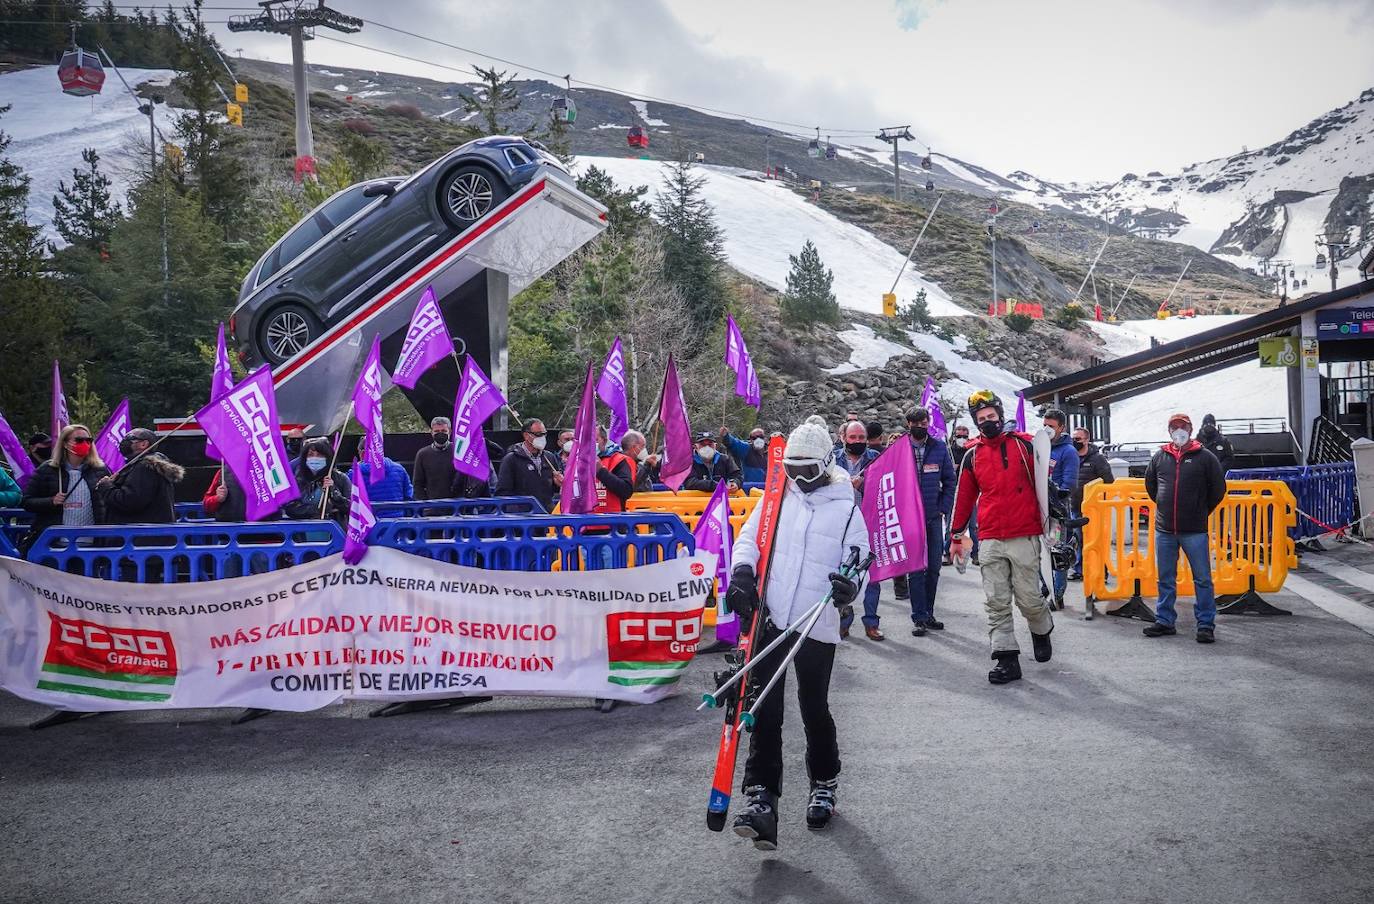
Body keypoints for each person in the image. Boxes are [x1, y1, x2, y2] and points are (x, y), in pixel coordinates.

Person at [724, 415, 869, 848]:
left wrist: (848, 589)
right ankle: (761, 797)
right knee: (763, 707)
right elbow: (749, 538)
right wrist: (743, 574)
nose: (800, 480)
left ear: (825, 464)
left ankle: (823, 780)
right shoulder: (776, 499)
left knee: (813, 706)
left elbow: (859, 558)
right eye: (792, 471)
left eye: (808, 471)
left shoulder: (845, 507)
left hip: (815, 624)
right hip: (771, 618)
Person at [949, 390, 1054, 685]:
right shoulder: (972, 455)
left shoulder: (1023, 445)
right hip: (991, 535)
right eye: (981, 419)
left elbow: (1046, 483)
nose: (987, 422)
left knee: (1029, 598)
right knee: (996, 600)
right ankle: (1007, 660)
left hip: (1024, 532)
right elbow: (964, 497)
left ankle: (1041, 627)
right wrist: (956, 535)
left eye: (991, 416)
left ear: (1000, 415)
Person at [1143, 413, 1226, 644]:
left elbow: (1218, 489)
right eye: (1174, 427)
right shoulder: (1160, 457)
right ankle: (1165, 620)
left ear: (1190, 429)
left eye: (1183, 426)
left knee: (1202, 579)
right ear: (1169, 430)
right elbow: (1150, 485)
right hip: (1165, 530)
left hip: (1195, 531)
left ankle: (1206, 624)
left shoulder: (1206, 457)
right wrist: (1163, 507)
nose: (1178, 430)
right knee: (1165, 578)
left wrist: (1201, 510)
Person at [904, 408, 957, 637]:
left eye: (923, 422)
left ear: (928, 423)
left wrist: (943, 509)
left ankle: (929, 612)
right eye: (915, 422)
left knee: (934, 568)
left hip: (933, 517)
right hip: (909, 519)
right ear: (908, 423)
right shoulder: (899, 449)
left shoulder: (939, 448)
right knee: (915, 570)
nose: (920, 425)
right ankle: (919, 617)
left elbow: (949, 481)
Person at [19, 425, 110, 556]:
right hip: (53, 543)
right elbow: (26, 501)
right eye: (79, 440)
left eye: (88, 440)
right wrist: (50, 501)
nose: (85, 444)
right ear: (65, 443)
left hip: (91, 544)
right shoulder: (47, 470)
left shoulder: (100, 470)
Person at [834, 420, 882, 640]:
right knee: (843, 573)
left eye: (861, 438)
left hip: (869, 524)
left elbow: (884, 487)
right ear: (844, 438)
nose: (857, 442)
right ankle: (844, 621)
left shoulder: (876, 459)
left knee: (872, 576)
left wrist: (863, 485)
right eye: (853, 438)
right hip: (841, 525)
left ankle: (871, 623)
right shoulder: (834, 459)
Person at [96, 428, 183, 525]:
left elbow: (130, 501)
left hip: (139, 535)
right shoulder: (139, 466)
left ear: (143, 444)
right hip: (143, 534)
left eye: (129, 438)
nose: (124, 441)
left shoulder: (144, 467)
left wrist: (106, 487)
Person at [1042, 409, 1079, 610]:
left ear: (1062, 428)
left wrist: (1055, 494)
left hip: (1058, 511)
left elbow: (1069, 485)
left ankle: (1058, 594)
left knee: (1058, 552)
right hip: (1040, 508)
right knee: (1041, 551)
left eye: (1051, 426)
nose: (1047, 430)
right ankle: (1045, 588)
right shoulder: (1041, 447)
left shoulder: (1068, 452)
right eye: (1044, 425)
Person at [1069, 426, 1115, 580]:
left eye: (1078, 439)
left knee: (1096, 541)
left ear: (1087, 440)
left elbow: (1109, 482)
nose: (1075, 442)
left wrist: (1101, 503)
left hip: (1094, 510)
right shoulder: (1070, 456)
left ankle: (1101, 572)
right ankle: (1080, 570)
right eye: (1073, 438)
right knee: (1078, 541)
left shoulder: (1098, 459)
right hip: (1075, 507)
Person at [495, 419, 563, 512]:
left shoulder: (549, 457)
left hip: (547, 513)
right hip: (523, 517)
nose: (542, 438)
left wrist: (558, 484)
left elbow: (554, 490)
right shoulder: (511, 459)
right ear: (526, 435)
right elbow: (503, 492)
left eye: (544, 434)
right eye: (539, 434)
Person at [284, 438, 352, 523]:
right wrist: (316, 510)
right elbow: (290, 508)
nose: (315, 458)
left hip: (334, 532)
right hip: (302, 532)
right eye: (310, 454)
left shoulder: (341, 479)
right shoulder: (298, 480)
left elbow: (351, 507)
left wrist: (334, 493)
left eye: (319, 455)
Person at [203, 467, 281, 523]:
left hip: (268, 535)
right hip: (231, 535)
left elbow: (285, 498)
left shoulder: (272, 471)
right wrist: (217, 498)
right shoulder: (223, 473)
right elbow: (206, 505)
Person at [413, 417, 458, 501]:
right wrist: (425, 505)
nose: (440, 434)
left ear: (450, 431)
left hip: (458, 507)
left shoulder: (458, 452)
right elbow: (418, 484)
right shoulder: (422, 454)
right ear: (431, 432)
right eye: (436, 431)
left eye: (444, 431)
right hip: (432, 508)